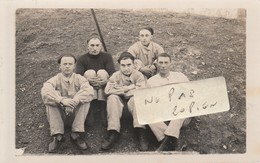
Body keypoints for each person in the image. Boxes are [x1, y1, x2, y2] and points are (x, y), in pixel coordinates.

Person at [41, 54, 94, 153]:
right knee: (50, 99)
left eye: (70, 64)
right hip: (60, 116)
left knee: (85, 98)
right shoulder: (55, 79)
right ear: (60, 66)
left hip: (76, 115)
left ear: (74, 66)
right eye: (64, 64)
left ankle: (76, 133)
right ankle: (58, 136)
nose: (67, 66)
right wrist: (61, 100)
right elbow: (45, 91)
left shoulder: (80, 78)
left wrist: (75, 100)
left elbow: (89, 91)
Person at [101, 52, 149, 151]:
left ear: (134, 65)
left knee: (137, 98)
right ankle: (113, 132)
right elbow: (107, 90)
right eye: (123, 65)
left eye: (129, 65)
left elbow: (141, 90)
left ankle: (140, 131)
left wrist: (121, 90)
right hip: (119, 109)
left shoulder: (138, 75)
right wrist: (128, 88)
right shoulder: (115, 75)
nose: (126, 68)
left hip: (133, 109)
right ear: (119, 65)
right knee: (112, 98)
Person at [147, 53, 190, 151]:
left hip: (181, 116)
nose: (163, 65)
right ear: (157, 64)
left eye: (166, 62)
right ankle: (172, 142)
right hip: (163, 116)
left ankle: (166, 144)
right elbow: (150, 102)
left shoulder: (180, 76)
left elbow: (190, 94)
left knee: (179, 107)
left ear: (171, 63)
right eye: (161, 62)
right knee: (147, 114)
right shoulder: (151, 81)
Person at [76, 35, 116, 126]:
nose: (95, 48)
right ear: (87, 46)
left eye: (97, 45)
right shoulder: (82, 59)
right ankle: (92, 105)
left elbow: (112, 73)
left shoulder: (107, 56)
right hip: (89, 87)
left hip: (103, 85)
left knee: (102, 72)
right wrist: (88, 81)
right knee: (90, 72)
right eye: (92, 45)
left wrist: (105, 82)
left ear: (101, 46)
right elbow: (78, 76)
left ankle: (102, 106)